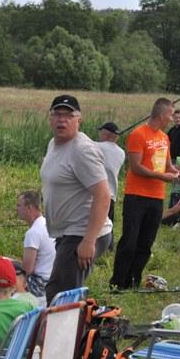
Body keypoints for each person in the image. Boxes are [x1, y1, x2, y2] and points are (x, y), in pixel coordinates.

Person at [39, 95, 112, 305]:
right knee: (63, 291)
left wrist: (88, 241)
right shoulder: (54, 143)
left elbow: (103, 195)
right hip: (65, 232)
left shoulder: (83, 150)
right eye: (57, 115)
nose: (62, 120)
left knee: (60, 295)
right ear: (50, 119)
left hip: (82, 232)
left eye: (68, 115)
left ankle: (63, 337)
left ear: (79, 120)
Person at [110, 98, 180, 290]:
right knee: (129, 242)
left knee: (146, 244)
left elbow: (167, 165)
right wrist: (162, 176)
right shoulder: (138, 134)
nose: (171, 119)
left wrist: (176, 172)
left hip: (157, 197)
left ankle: (133, 281)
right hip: (137, 196)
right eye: (170, 115)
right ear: (161, 114)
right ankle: (117, 282)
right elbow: (136, 167)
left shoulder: (164, 138)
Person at [95, 122, 126, 224]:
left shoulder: (96, 147)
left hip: (96, 196)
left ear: (105, 134)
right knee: (108, 229)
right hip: (111, 196)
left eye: (101, 132)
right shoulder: (121, 153)